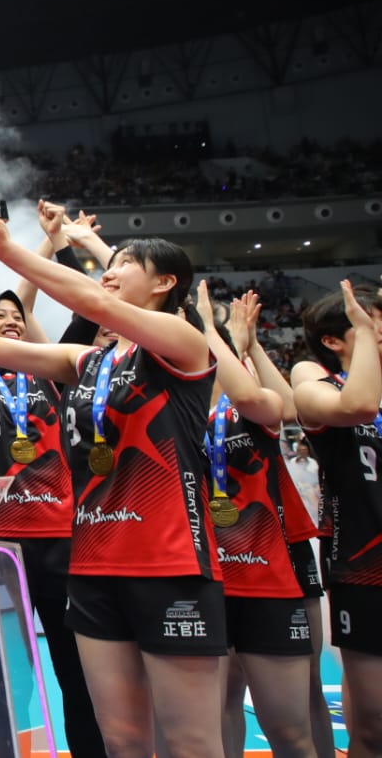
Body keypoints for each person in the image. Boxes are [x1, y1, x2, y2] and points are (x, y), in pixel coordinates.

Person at [0, 200, 225, 758]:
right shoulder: (88, 362)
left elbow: (91, 300)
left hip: (167, 563)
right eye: (108, 262)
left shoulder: (184, 344)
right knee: (120, 738)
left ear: (165, 283)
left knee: (189, 740)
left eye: (123, 263)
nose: (108, 270)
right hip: (91, 563)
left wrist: (5, 248)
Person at [0, 271, 105, 757]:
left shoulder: (54, 372)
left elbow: (88, 315)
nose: (11, 322)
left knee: (77, 668)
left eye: (17, 316)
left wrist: (63, 249)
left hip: (61, 539)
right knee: (8, 673)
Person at [194, 284, 315, 757]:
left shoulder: (251, 406)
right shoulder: (179, 407)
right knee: (218, 717)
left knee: (290, 733)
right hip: (205, 579)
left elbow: (288, 407)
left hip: (265, 577)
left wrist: (244, 346)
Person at [292, 283, 382, 757]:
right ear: (335, 340)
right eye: (370, 322)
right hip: (366, 568)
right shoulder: (322, 388)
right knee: (373, 728)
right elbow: (360, 406)